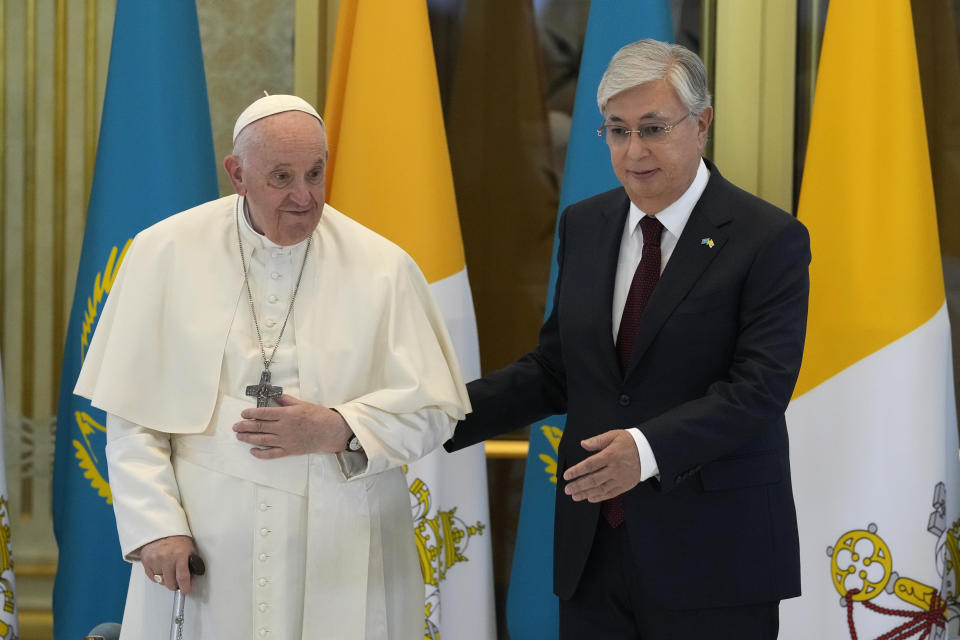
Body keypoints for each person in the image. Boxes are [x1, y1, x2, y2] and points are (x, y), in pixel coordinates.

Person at [445, 39, 809, 639]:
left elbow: (759, 391)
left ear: (702, 125)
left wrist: (644, 451)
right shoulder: (586, 224)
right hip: (595, 556)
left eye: (653, 129)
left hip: (716, 558)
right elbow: (557, 370)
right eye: (616, 131)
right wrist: (435, 419)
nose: (633, 152)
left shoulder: (767, 239)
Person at [75, 94, 470, 639]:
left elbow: (436, 409)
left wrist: (342, 427)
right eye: (281, 177)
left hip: (345, 549)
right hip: (207, 547)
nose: (303, 197)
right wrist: (157, 526)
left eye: (314, 173)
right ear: (237, 174)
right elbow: (131, 419)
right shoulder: (163, 253)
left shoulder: (383, 268)